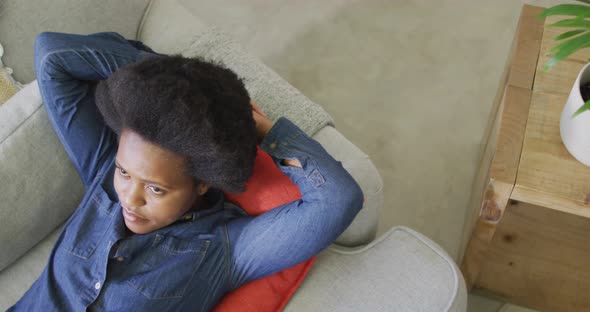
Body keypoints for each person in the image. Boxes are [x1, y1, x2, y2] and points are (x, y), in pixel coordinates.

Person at [8, 31, 364, 311]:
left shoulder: (224, 250)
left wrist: (255, 127)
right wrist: (175, 84)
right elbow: (53, 55)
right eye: (125, 172)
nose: (128, 198)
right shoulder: (103, 173)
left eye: (156, 189)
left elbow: (338, 200)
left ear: (202, 183)